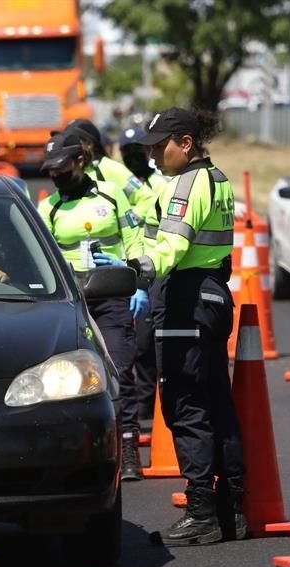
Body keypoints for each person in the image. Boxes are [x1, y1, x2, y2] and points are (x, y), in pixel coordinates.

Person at [93, 107, 245, 546]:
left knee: (185, 402)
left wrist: (133, 269)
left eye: (161, 146)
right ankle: (231, 507)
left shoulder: (186, 185)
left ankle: (202, 512)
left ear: (186, 143)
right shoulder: (217, 180)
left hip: (186, 298)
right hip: (212, 292)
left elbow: (172, 247)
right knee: (216, 402)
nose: (154, 154)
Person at [37, 131, 148, 481]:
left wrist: (135, 281)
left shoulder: (111, 196)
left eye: (62, 167)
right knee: (67, 376)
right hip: (72, 304)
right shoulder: (47, 208)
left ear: (80, 162)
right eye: (51, 170)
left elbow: (134, 240)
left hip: (113, 297)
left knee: (120, 371)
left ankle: (129, 450)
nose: (57, 174)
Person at [119, 126, 168, 420]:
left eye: (136, 151)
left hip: (150, 267)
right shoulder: (121, 185)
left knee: (146, 342)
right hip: (123, 267)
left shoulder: (160, 185)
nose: (131, 157)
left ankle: (148, 408)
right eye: (126, 152)